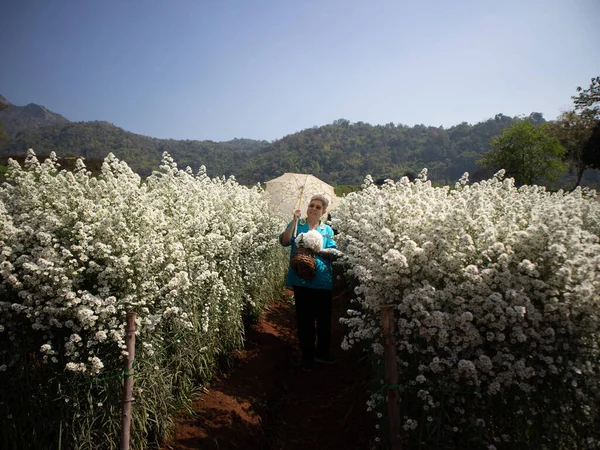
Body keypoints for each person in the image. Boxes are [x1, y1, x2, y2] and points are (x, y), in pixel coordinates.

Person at [279, 194, 340, 371]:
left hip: (323, 280)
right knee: (305, 320)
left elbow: (334, 251)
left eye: (318, 207)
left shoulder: (328, 230)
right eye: (311, 205)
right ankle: (307, 357)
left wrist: (320, 250)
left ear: (323, 212)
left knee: (323, 319)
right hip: (302, 279)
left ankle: (322, 353)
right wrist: (293, 221)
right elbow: (284, 241)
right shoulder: (299, 225)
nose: (313, 208)